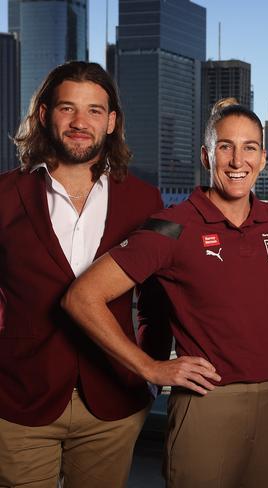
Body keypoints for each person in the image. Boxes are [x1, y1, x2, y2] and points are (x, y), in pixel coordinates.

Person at [62, 98, 268, 488]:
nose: (237, 160)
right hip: (206, 401)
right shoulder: (172, 227)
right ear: (206, 156)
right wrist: (150, 367)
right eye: (225, 146)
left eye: (249, 148)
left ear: (262, 158)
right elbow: (81, 297)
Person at [0, 61, 170, 488]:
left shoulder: (144, 199)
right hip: (19, 402)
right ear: (44, 115)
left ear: (111, 122)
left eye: (94, 111)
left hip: (113, 403)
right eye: (67, 108)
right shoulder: (3, 196)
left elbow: (157, 303)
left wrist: (148, 377)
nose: (80, 122)